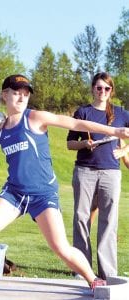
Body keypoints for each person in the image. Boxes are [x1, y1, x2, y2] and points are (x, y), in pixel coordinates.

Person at [0, 74, 129, 292]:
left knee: (60, 247)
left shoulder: (34, 117)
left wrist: (114, 131)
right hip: (14, 193)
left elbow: (74, 122)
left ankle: (93, 279)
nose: (21, 98)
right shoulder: (1, 131)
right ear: (5, 95)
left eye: (25, 94)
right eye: (15, 93)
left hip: (43, 195)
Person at [66, 72, 129, 280]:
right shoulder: (82, 112)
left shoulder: (121, 113)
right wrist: (84, 144)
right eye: (99, 88)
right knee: (81, 219)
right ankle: (83, 271)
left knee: (109, 220)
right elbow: (69, 143)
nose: (102, 92)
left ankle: (108, 273)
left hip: (111, 173)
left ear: (112, 91)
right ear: (93, 88)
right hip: (85, 171)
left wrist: (124, 150)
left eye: (107, 88)